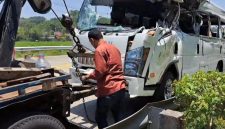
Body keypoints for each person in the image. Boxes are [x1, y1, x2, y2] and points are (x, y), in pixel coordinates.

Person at [81, 29, 126, 129]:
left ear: (92, 40)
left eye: (90, 42)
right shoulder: (114, 48)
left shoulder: (99, 50)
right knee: (119, 118)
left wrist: (88, 76)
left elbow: (100, 71)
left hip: (108, 90)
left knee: (100, 118)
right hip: (121, 88)